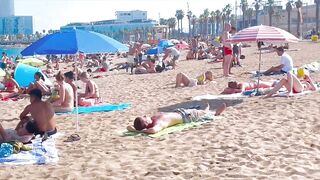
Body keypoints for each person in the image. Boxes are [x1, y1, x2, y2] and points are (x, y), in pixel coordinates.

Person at [127, 103, 226, 134]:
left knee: (200, 111)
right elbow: (153, 131)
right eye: (144, 117)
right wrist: (139, 132)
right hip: (186, 116)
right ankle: (215, 114)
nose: (145, 115)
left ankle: (207, 110)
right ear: (146, 123)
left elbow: (128, 127)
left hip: (178, 112)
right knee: (202, 113)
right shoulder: (158, 123)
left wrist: (136, 129)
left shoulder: (153, 120)